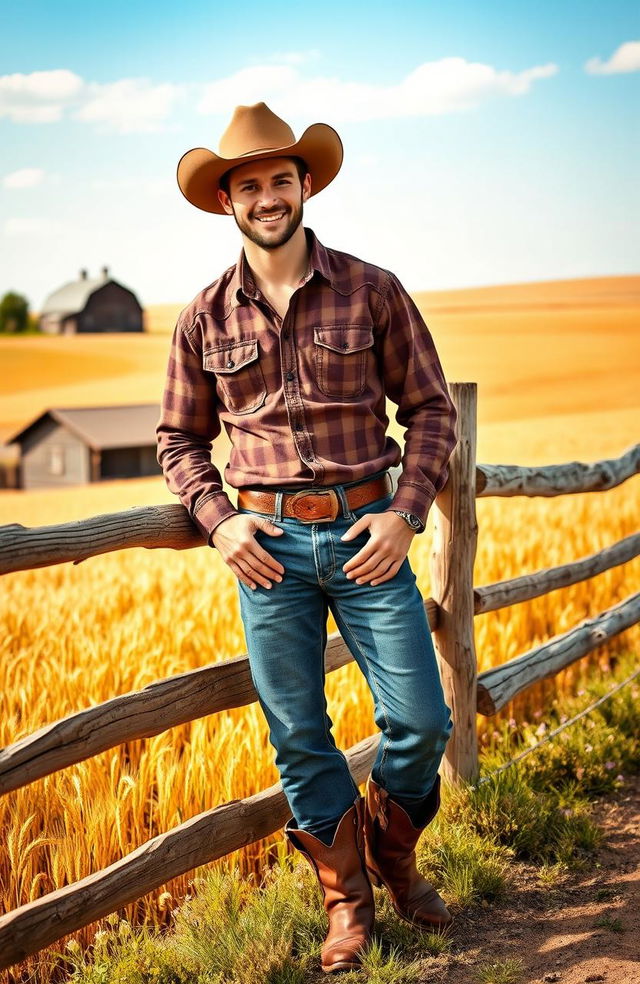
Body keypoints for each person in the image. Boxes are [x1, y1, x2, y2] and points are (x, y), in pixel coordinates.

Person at [156, 101, 458, 974]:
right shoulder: (202, 317)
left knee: (420, 720)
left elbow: (432, 409)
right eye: (247, 185)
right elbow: (179, 441)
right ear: (227, 201)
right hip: (267, 554)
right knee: (298, 732)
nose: (266, 196)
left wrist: (405, 514)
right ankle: (349, 903)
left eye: (279, 180)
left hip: (371, 536)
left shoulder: (373, 288)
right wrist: (220, 521)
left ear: (307, 184)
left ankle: (393, 849)